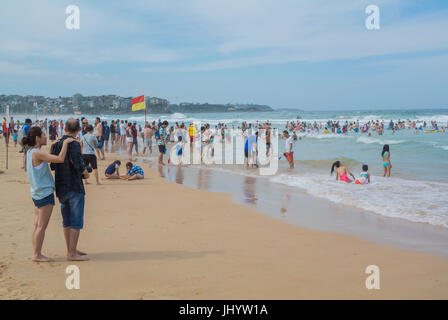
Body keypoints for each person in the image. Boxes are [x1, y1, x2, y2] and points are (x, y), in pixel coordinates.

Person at [22, 126, 74, 262]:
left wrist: (53, 145)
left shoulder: (31, 151)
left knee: (37, 225)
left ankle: (35, 252)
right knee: (41, 226)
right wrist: (65, 143)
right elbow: (60, 159)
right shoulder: (37, 153)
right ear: (38, 138)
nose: (46, 136)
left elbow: (48, 157)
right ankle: (37, 255)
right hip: (44, 193)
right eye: (43, 135)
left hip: (36, 192)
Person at [51, 119, 90, 261]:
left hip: (61, 186)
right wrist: (85, 173)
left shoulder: (57, 143)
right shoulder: (73, 143)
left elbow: (53, 166)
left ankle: (71, 249)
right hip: (74, 185)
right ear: (79, 129)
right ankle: (71, 253)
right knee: (76, 221)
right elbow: (79, 164)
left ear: (65, 128)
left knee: (66, 220)